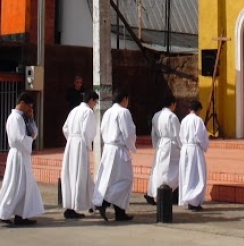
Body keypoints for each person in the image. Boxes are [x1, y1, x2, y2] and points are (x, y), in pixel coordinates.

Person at [0, 92, 44, 226]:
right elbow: (17, 139)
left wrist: (31, 119)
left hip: (24, 155)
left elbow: (34, 134)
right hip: (18, 155)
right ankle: (3, 212)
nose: (29, 109)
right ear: (22, 103)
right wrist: (30, 139)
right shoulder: (15, 118)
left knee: (25, 186)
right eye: (28, 107)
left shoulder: (24, 118)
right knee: (15, 185)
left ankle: (21, 215)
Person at [92, 89, 137, 222]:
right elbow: (128, 132)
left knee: (110, 180)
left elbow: (102, 129)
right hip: (118, 150)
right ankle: (105, 202)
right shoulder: (123, 112)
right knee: (126, 179)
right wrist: (131, 145)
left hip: (108, 149)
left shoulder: (108, 112)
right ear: (125, 99)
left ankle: (120, 212)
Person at [60, 89, 99, 220]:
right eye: (95, 102)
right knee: (79, 175)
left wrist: (71, 139)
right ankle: (76, 205)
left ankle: (80, 204)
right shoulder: (88, 112)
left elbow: (65, 128)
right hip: (80, 144)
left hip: (71, 144)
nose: (95, 104)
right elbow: (88, 131)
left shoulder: (74, 110)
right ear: (91, 100)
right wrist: (87, 144)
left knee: (71, 174)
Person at [144, 94, 181, 206]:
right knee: (172, 171)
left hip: (160, 143)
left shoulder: (156, 115)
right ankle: (165, 193)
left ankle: (153, 192)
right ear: (173, 104)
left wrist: (155, 145)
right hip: (170, 145)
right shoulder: (172, 117)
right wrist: (181, 146)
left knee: (158, 169)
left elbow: (153, 133)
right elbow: (177, 134)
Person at [178, 100, 210, 211]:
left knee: (187, 174)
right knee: (197, 175)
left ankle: (187, 199)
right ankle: (194, 201)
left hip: (185, 148)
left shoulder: (184, 120)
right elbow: (201, 136)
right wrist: (205, 147)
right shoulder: (198, 120)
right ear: (198, 109)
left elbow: (181, 135)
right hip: (195, 149)